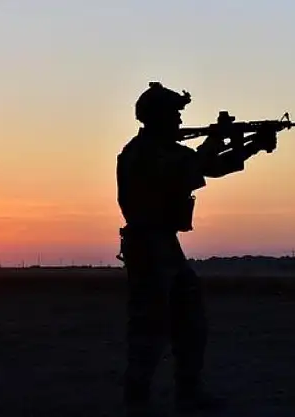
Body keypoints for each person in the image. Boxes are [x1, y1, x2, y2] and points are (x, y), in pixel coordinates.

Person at [115, 82, 278, 415]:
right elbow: (197, 165)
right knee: (148, 327)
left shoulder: (162, 150)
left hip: (163, 244)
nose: (179, 120)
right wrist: (219, 137)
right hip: (148, 246)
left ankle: (187, 394)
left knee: (190, 322)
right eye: (174, 114)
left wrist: (252, 145)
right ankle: (137, 399)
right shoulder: (144, 153)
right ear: (157, 116)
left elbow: (210, 166)